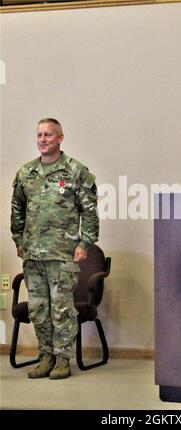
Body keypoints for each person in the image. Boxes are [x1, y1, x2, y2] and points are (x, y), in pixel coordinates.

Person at [11, 118, 99, 379]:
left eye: (48, 135)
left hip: (63, 254)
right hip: (33, 255)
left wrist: (85, 243)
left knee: (61, 309)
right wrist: (18, 239)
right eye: (39, 135)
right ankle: (45, 356)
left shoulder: (75, 172)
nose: (42, 139)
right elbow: (17, 209)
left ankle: (63, 360)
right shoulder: (26, 173)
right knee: (38, 309)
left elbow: (90, 212)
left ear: (60, 138)